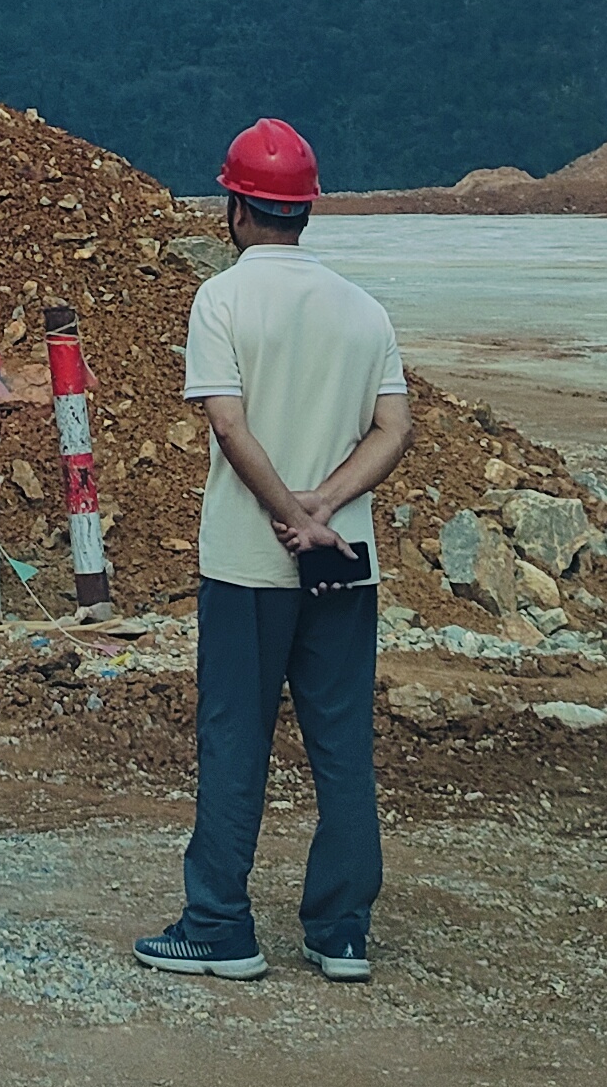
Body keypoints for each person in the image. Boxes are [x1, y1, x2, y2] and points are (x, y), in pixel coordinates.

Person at [134, 117, 412, 986]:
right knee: (342, 746)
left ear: (236, 209)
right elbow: (394, 428)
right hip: (343, 562)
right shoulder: (363, 309)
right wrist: (326, 506)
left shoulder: (222, 301)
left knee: (234, 739)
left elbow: (229, 423)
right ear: (307, 210)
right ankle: (341, 932)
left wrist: (289, 512)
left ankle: (219, 925)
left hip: (248, 564)